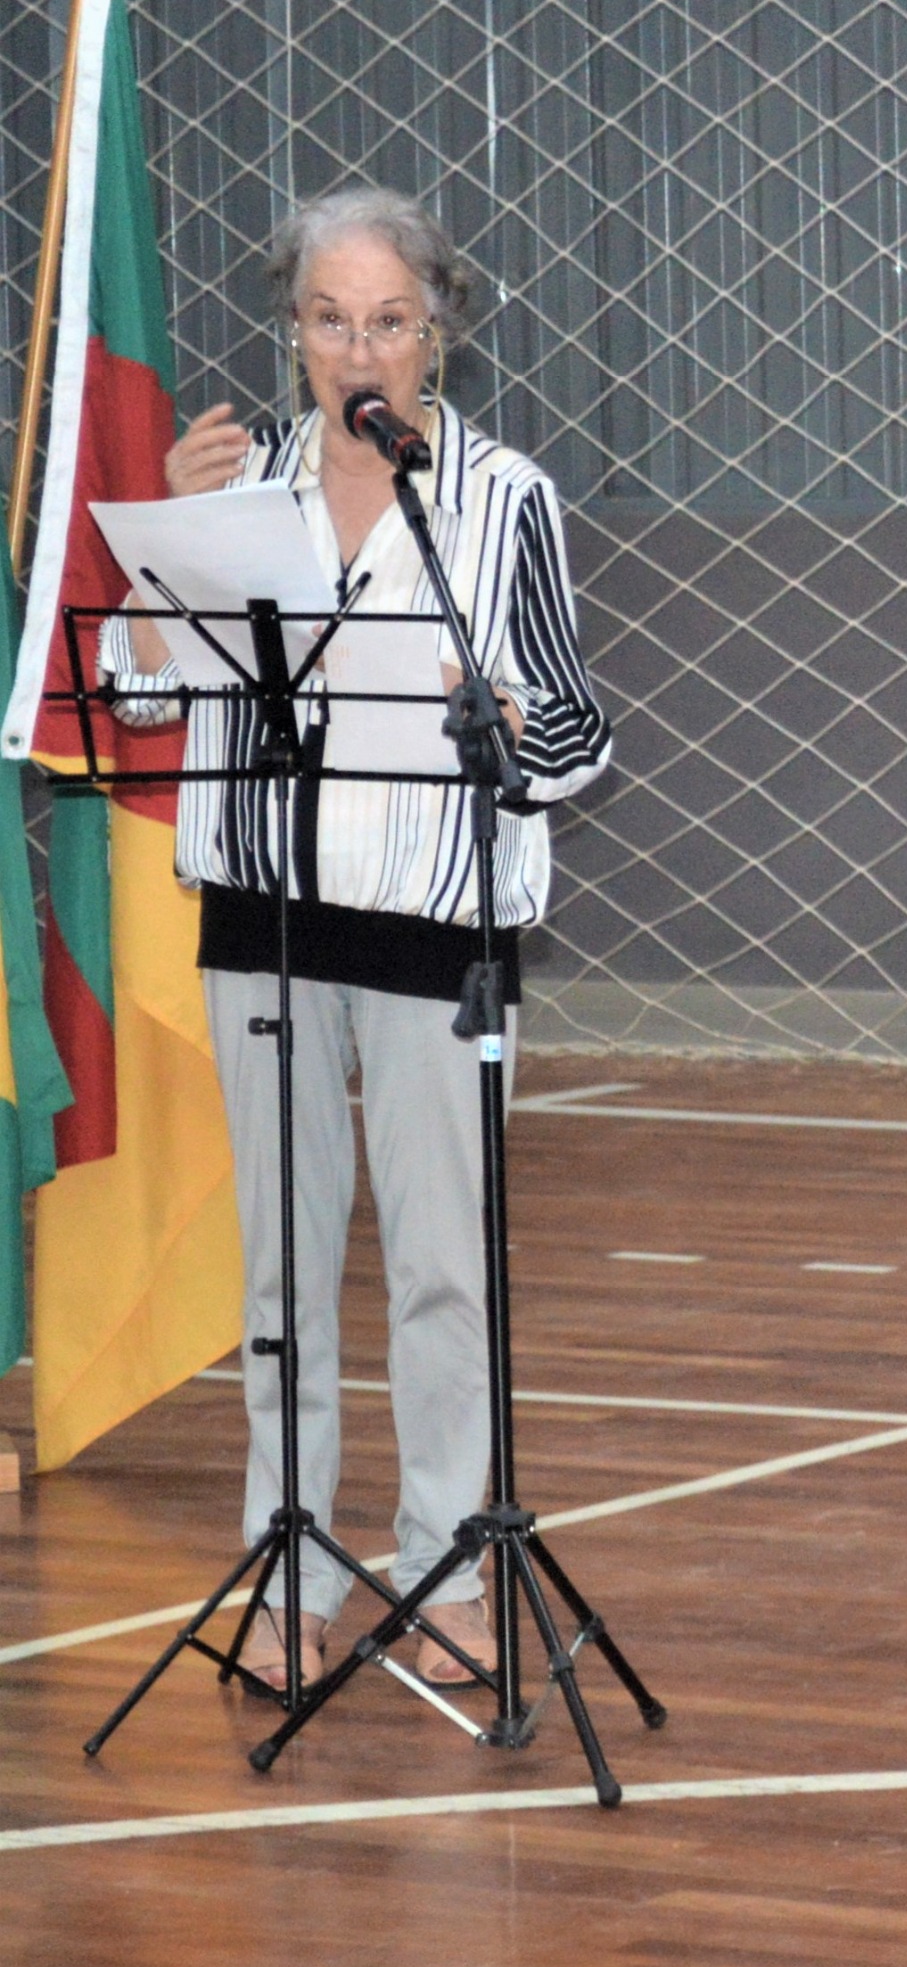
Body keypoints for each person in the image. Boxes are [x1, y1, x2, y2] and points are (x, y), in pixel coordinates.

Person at [112, 187, 612, 1691]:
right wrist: (161, 555)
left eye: (390, 319)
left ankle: (449, 1564)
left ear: (437, 331)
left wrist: (509, 724)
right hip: (260, 921)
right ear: (292, 332)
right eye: (330, 319)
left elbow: (578, 734)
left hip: (433, 933)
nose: (359, 349)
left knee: (443, 1272)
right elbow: (135, 697)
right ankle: (292, 1567)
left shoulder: (501, 498)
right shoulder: (232, 487)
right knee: (281, 1272)